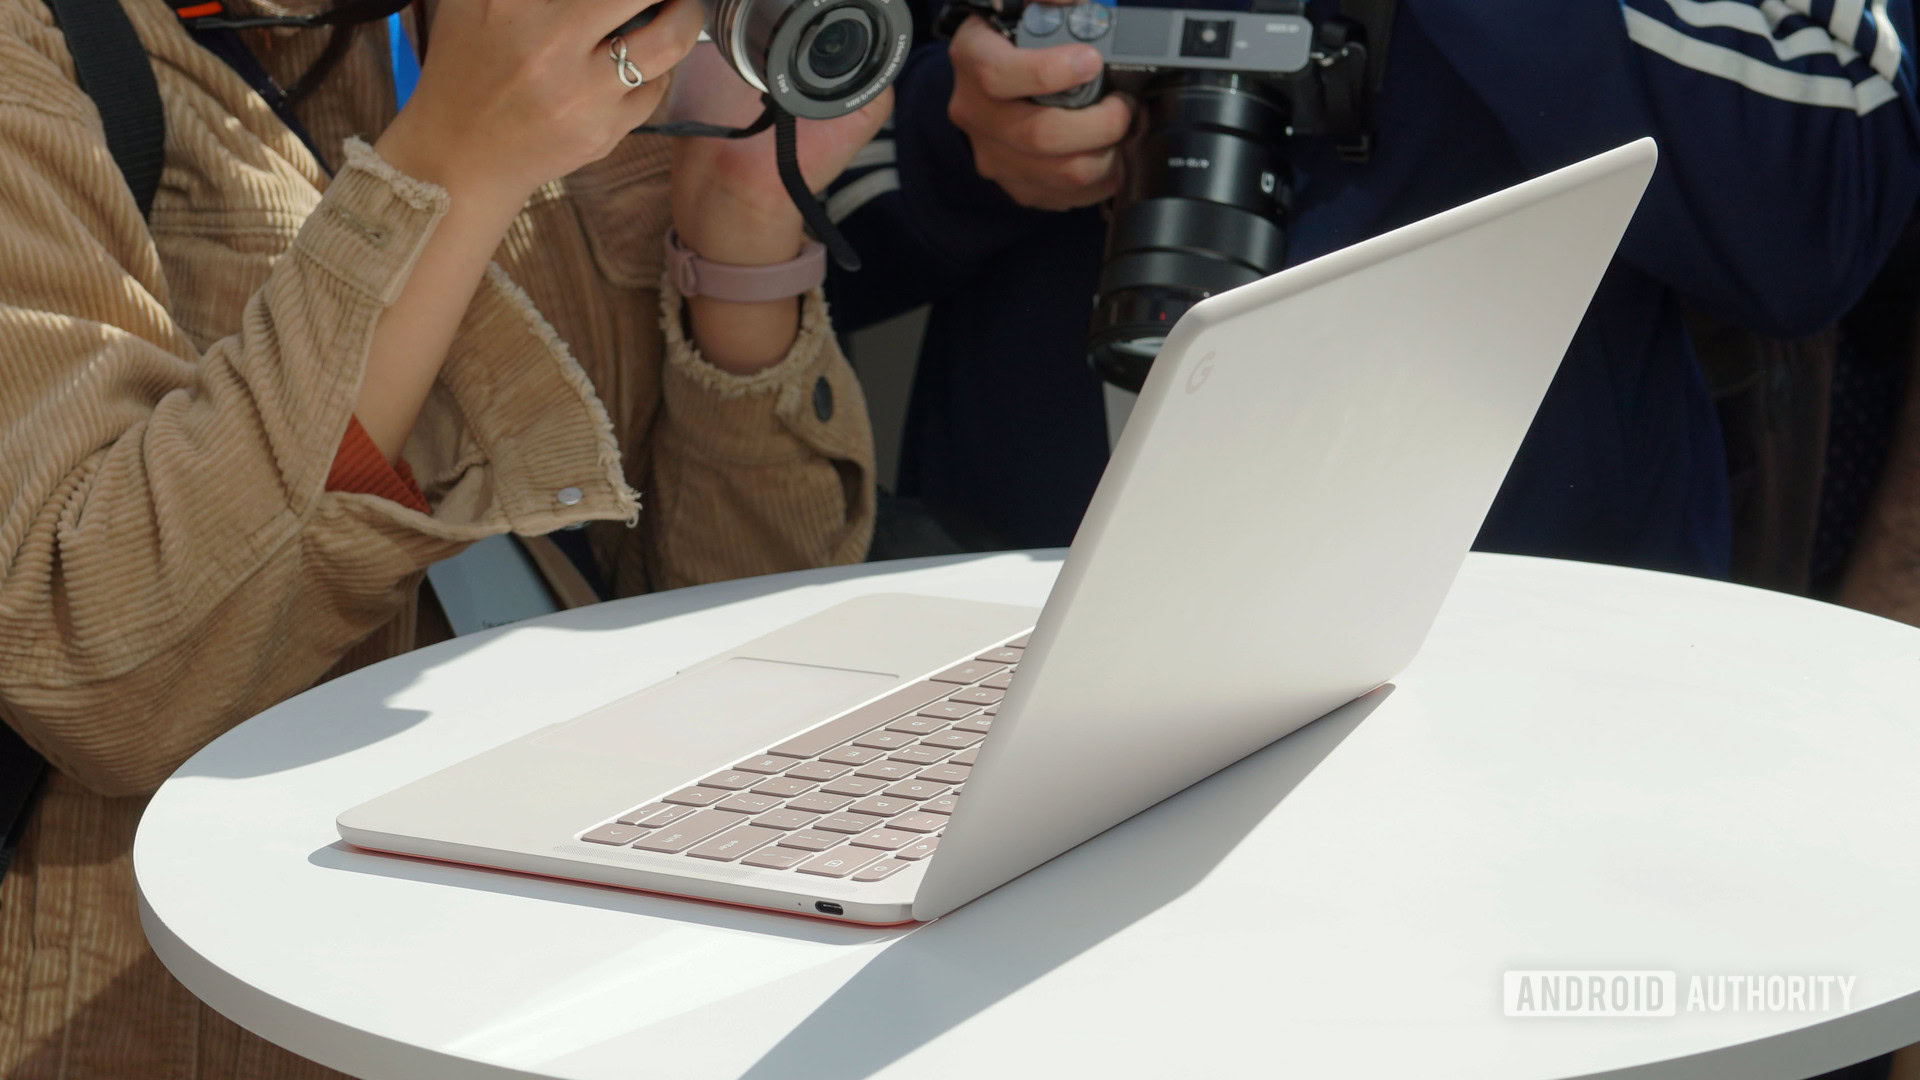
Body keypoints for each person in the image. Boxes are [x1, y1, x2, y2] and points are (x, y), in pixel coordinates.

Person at [0, 0, 887, 1073]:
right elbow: (118, 682)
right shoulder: (38, 49)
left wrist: (742, 223)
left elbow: (756, 655)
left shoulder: (560, 40)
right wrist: (461, 156)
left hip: (575, 983)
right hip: (196, 1016)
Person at [827, 0, 1920, 579]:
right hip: (1030, 617)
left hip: (1533, 644)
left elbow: (1821, 211)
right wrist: (956, 145)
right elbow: (707, 198)